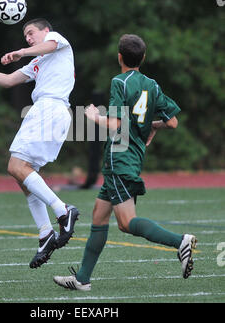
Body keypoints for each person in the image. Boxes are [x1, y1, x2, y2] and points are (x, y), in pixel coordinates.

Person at [53, 34, 197, 291]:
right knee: (99, 215)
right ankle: (82, 279)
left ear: (119, 57)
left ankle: (181, 242)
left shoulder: (119, 81)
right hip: (131, 157)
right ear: (143, 58)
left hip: (119, 158)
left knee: (127, 223)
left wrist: (94, 117)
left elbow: (117, 123)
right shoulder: (151, 85)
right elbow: (172, 121)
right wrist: (152, 125)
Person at [0, 18, 79, 268]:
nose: (28, 38)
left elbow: (47, 45)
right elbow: (8, 80)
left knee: (15, 167)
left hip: (49, 108)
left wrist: (21, 52)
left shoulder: (58, 41)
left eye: (31, 32)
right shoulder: (38, 62)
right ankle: (45, 233)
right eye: (25, 36)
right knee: (23, 174)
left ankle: (63, 211)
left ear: (46, 31)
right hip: (49, 111)